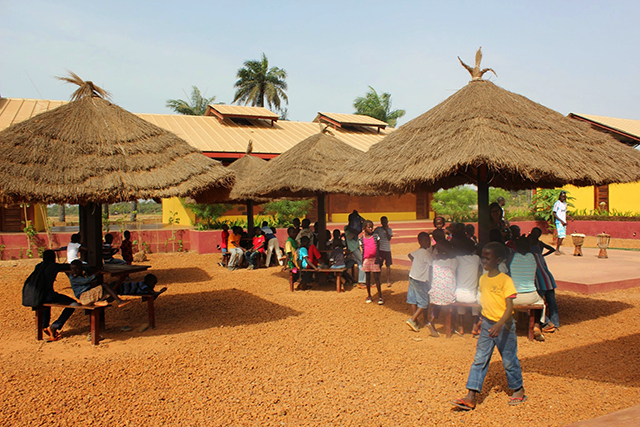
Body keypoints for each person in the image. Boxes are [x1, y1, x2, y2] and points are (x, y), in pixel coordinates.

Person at [451, 242, 525, 411]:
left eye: (487, 258)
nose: (483, 260)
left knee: (509, 360)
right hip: (487, 324)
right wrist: (481, 319)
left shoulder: (505, 280)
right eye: (482, 257)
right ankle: (471, 396)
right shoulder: (483, 279)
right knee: (480, 359)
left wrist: (499, 324)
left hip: (504, 327)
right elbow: (486, 302)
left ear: (498, 260)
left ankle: (518, 388)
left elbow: (509, 307)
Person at [27, 250, 74, 342]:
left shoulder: (39, 266)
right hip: (48, 296)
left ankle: (45, 326)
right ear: (54, 258)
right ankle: (54, 326)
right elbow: (69, 266)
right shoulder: (54, 266)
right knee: (73, 304)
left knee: (46, 305)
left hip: (38, 296)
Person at [509, 236, 546, 341]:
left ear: (516, 246)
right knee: (542, 302)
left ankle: (511, 322)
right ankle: (537, 325)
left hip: (513, 296)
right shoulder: (534, 256)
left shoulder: (511, 257)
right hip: (530, 295)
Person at [529, 227, 560, 333]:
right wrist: (543, 255)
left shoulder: (530, 255)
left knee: (537, 302)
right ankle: (555, 323)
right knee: (552, 303)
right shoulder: (539, 250)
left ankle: (546, 323)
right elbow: (552, 249)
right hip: (549, 279)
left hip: (540, 281)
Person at [427, 238, 458, 337]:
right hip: (448, 296)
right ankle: (452, 326)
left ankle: (431, 321)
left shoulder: (435, 263)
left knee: (438, 302)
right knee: (452, 305)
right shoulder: (454, 262)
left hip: (435, 294)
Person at [454, 236, 482, 337]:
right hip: (472, 296)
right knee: (476, 295)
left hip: (459, 295)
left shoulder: (458, 258)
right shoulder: (477, 259)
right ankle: (474, 326)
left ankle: (461, 327)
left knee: (461, 300)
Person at [405, 232, 433, 332]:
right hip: (421, 280)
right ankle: (412, 319)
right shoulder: (426, 253)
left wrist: (417, 262)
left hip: (412, 277)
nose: (428, 242)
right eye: (426, 241)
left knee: (414, 300)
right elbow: (431, 267)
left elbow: (410, 255)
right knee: (424, 302)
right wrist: (431, 281)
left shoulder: (418, 252)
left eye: (429, 240)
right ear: (420, 242)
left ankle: (416, 321)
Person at [360, 220, 383, 304]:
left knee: (376, 278)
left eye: (371, 227)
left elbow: (379, 246)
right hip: (366, 260)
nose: (371, 229)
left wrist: (379, 256)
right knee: (368, 278)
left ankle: (380, 296)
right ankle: (369, 295)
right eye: (369, 227)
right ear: (364, 228)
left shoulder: (376, 237)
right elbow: (363, 249)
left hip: (375, 259)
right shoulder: (362, 239)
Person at [374, 216, 393, 287]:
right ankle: (378, 280)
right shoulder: (378, 229)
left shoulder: (389, 229)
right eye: (383, 222)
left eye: (386, 221)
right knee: (379, 265)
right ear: (381, 222)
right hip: (380, 250)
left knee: (388, 265)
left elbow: (389, 238)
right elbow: (374, 236)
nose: (385, 223)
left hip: (387, 249)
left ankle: (388, 280)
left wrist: (386, 230)